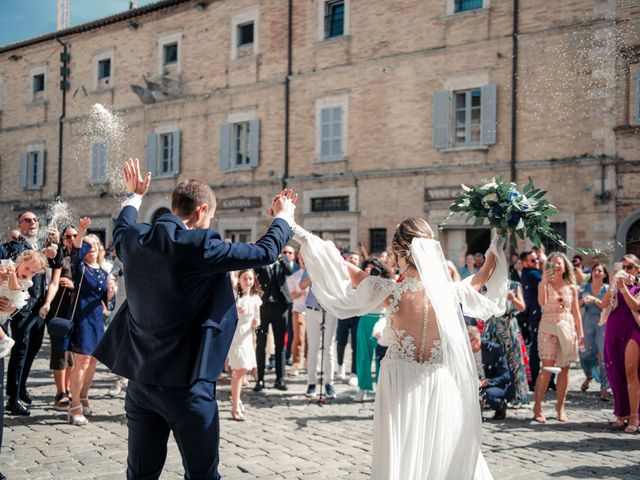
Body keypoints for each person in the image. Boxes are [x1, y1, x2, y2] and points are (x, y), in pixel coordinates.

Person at [93, 158, 296, 480]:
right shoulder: (200, 245)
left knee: (140, 475)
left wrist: (135, 196)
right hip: (188, 385)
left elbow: (122, 223)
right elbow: (266, 252)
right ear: (201, 211)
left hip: (141, 381)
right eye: (211, 215)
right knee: (202, 475)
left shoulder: (133, 240)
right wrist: (284, 216)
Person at [294, 217, 507, 479]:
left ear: (399, 252)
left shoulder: (391, 292)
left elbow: (343, 267)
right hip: (438, 381)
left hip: (398, 382)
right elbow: (485, 273)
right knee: (438, 446)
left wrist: (302, 233)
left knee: (401, 450)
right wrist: (497, 239)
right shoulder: (451, 292)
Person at [1, 211, 62, 417]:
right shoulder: (17, 245)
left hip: (38, 307)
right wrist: (46, 252)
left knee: (33, 348)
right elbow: (23, 260)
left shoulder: (43, 245)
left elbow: (56, 263)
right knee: (20, 350)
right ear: (19, 224)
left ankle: (21, 387)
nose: (33, 222)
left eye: (35, 219)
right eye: (27, 220)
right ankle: (12, 398)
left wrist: (56, 244)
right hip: (20, 308)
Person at [65, 219, 115, 426]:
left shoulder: (103, 272)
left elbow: (106, 300)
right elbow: (75, 253)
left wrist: (111, 290)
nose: (91, 249)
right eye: (88, 246)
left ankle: (84, 396)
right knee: (82, 362)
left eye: (95, 246)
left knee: (93, 360)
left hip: (96, 319)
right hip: (81, 318)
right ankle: (74, 406)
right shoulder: (80, 267)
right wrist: (83, 231)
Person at [532, 252, 584, 423]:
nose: (555, 265)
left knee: (565, 368)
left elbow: (576, 312)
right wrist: (544, 283)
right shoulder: (544, 284)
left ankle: (560, 408)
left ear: (564, 266)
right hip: (548, 327)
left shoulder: (571, 287)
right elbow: (542, 303)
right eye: (552, 263)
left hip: (567, 328)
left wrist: (580, 333)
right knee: (547, 368)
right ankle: (537, 407)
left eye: (558, 263)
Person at [598, 255, 640, 433]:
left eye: (630, 267)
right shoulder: (616, 285)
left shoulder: (638, 287)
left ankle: (634, 416)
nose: (626, 270)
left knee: (631, 372)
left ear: (637, 269)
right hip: (614, 327)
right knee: (615, 371)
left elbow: (635, 305)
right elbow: (603, 303)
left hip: (632, 328)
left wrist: (624, 288)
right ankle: (621, 412)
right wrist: (614, 282)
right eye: (623, 267)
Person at [40, 226, 77, 408]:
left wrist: (73, 285)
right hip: (58, 311)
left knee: (72, 353)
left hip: (75, 312)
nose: (71, 239)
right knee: (59, 351)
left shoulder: (79, 259)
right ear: (63, 239)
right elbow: (54, 282)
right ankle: (60, 391)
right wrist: (47, 303)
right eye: (68, 236)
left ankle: (68, 387)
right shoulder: (59, 259)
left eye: (74, 236)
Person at [482, 279, 530, 406]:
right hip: (493, 325)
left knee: (513, 361)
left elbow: (522, 307)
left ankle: (516, 396)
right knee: (492, 361)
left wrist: (513, 298)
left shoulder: (514, 285)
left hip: (509, 326)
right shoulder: (487, 285)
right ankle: (493, 395)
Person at [254, 246, 295, 391]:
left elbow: (290, 272)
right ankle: (260, 379)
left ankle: (280, 379)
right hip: (263, 307)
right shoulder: (261, 260)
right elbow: (256, 272)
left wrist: (282, 258)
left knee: (280, 344)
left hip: (281, 307)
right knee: (261, 344)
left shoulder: (283, 260)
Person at [228, 269, 262, 421]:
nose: (247, 282)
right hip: (236, 337)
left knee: (243, 370)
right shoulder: (234, 298)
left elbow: (257, 319)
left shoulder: (255, 299)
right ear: (239, 280)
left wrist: (256, 323)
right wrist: (235, 310)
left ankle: (237, 399)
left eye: (250, 279)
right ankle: (235, 406)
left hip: (247, 337)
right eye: (244, 278)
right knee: (238, 370)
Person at [0, 252, 48, 357]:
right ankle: (5, 339)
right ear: (21, 261)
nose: (29, 273)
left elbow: (14, 287)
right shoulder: (8, 264)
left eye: (33, 272)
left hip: (7, 300)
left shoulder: (27, 281)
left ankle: (5, 339)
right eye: (27, 268)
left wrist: (11, 274)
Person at [301, 268, 338, 399]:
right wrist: (314, 275)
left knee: (329, 348)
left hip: (329, 311)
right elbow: (302, 285)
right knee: (313, 348)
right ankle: (311, 383)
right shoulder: (311, 264)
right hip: (312, 310)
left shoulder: (334, 265)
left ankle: (329, 383)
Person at [579, 264, 610, 401]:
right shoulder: (584, 288)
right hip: (587, 320)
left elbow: (607, 304)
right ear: (591, 273)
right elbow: (576, 304)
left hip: (603, 321)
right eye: (594, 270)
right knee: (585, 353)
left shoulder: (608, 289)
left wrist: (594, 299)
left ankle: (605, 388)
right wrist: (582, 301)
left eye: (600, 271)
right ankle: (589, 375)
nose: (597, 272)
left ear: (604, 274)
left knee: (603, 354)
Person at [469, 326, 514, 420]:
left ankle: (500, 406)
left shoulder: (494, 349)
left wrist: (484, 382)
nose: (466, 345)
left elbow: (505, 376)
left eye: (468, 341)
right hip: (473, 384)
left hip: (494, 385)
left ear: (477, 340)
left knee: (487, 394)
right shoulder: (465, 352)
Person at [520, 250, 543, 388]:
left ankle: (542, 378)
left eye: (537, 259)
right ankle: (534, 379)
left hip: (536, 314)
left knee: (539, 347)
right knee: (537, 347)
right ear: (525, 263)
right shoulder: (532, 274)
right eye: (533, 260)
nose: (537, 262)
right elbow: (546, 280)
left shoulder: (529, 273)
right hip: (537, 315)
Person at [336, 252, 361, 382]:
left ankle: (354, 373)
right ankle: (340, 366)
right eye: (351, 257)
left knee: (355, 345)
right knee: (341, 342)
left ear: (359, 261)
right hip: (344, 314)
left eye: (355, 258)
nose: (353, 259)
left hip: (357, 315)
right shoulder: (341, 275)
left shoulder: (361, 275)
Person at [285, 252, 308, 377]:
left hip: (312, 310)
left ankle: (308, 361)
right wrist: (302, 292)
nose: (303, 261)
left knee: (310, 338)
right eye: (301, 259)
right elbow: (291, 296)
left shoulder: (315, 275)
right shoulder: (294, 276)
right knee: (299, 337)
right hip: (298, 309)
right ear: (298, 260)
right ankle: (295, 363)